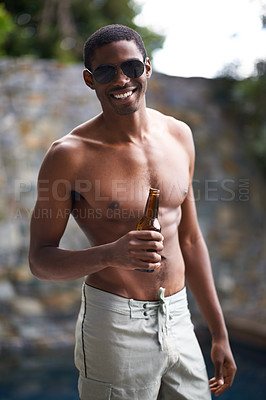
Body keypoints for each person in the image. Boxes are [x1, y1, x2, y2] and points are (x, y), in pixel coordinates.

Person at [29, 24, 236, 400]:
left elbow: (189, 239)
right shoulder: (69, 156)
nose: (121, 79)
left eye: (131, 68)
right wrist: (110, 254)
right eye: (106, 72)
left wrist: (219, 333)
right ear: (90, 80)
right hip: (115, 324)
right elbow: (40, 261)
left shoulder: (179, 136)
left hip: (178, 317)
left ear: (148, 68)